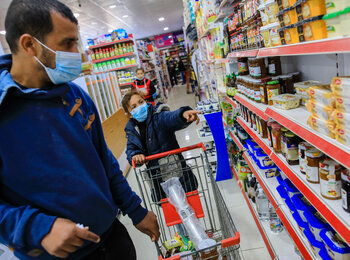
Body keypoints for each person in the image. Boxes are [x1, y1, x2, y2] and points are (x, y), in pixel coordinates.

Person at [0, 1, 159, 260]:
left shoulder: (75, 96)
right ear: (30, 45)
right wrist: (38, 227)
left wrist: (135, 210)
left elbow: (104, 160)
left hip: (113, 239)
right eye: (68, 43)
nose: (79, 54)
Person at [122, 90, 200, 202]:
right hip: (157, 181)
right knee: (171, 215)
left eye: (141, 102)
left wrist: (183, 115)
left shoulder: (158, 116)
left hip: (177, 174)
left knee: (191, 207)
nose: (139, 106)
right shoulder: (132, 131)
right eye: (134, 106)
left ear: (145, 101)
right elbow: (131, 150)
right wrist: (135, 155)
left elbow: (171, 117)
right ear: (129, 114)